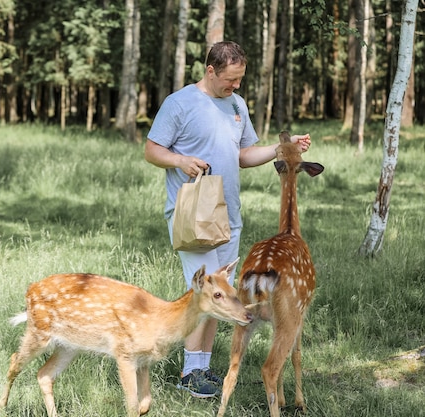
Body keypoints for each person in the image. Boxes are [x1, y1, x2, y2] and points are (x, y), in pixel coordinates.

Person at [144, 41, 311, 398]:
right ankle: (190, 374)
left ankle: (201, 366)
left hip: (227, 218)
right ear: (210, 71)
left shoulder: (237, 105)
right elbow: (152, 149)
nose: (235, 86)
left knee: (222, 296)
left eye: (239, 80)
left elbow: (243, 155)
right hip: (192, 217)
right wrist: (179, 161)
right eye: (230, 80)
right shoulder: (180, 104)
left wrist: (283, 148)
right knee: (206, 294)